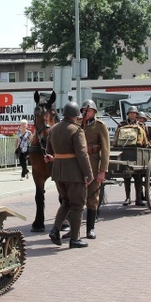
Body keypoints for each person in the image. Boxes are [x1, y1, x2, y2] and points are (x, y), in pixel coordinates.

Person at [45, 102, 94, 249]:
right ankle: (74, 239)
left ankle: (55, 229)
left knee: (66, 202)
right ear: (75, 116)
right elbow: (82, 154)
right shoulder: (76, 130)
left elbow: (48, 150)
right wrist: (89, 173)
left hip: (58, 172)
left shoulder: (53, 130)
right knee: (77, 205)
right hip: (74, 173)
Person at [80, 99, 110, 239]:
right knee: (76, 198)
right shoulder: (77, 124)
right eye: (83, 111)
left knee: (92, 198)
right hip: (78, 166)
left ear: (94, 112)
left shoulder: (100, 126)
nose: (86, 113)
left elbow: (105, 149)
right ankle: (74, 229)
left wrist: (103, 170)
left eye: (88, 111)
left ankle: (90, 229)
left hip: (93, 164)